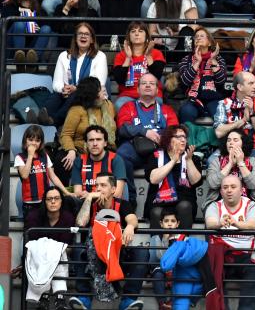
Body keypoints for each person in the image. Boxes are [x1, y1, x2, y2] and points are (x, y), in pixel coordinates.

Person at [72, 172, 148, 310]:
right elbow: (80, 223)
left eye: (103, 185)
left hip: (117, 256)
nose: (98, 189)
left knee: (142, 252)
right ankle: (84, 299)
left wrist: (130, 226)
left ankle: (128, 301)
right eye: (97, 185)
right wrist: (88, 199)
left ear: (113, 189)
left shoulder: (122, 204)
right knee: (77, 249)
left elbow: (132, 218)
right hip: (94, 256)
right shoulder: (90, 203)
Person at [115, 73, 180, 208]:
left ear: (157, 90)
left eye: (152, 83)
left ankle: (164, 200)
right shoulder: (128, 107)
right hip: (135, 149)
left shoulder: (166, 110)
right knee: (120, 155)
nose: (148, 85)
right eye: (144, 83)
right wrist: (145, 132)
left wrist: (162, 137)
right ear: (138, 89)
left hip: (159, 150)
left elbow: (175, 131)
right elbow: (123, 129)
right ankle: (130, 199)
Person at [204, 174, 255, 310]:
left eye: (233, 187)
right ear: (221, 191)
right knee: (213, 266)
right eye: (225, 187)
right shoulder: (214, 205)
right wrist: (219, 223)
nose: (229, 190)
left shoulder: (251, 205)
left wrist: (236, 223)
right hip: (222, 255)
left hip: (246, 255)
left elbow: (253, 224)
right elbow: (210, 223)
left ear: (241, 190)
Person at [214, 71, 255, 186]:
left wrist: (252, 114)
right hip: (228, 149)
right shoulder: (225, 103)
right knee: (211, 160)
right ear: (240, 87)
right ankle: (220, 197)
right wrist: (242, 121)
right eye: (251, 83)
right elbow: (218, 132)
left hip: (253, 148)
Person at [55, 82, 117, 185]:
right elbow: (66, 134)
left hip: (104, 147)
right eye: (101, 92)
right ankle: (64, 194)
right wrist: (71, 150)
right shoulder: (77, 110)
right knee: (62, 160)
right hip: (79, 148)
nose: (104, 94)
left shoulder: (108, 105)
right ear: (93, 96)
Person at [46, 23, 107, 126]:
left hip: (91, 96)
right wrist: (63, 89)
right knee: (55, 97)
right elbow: (56, 82)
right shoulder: (64, 56)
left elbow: (97, 84)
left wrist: (77, 89)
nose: (83, 36)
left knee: (76, 94)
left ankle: (54, 121)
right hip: (67, 94)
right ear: (75, 38)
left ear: (92, 39)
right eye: (80, 34)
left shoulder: (100, 56)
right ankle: (44, 118)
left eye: (87, 34)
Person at [145, 125, 202, 229]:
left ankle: (182, 243)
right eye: (178, 137)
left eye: (184, 137)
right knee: (156, 212)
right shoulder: (155, 156)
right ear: (168, 139)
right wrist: (173, 161)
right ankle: (158, 245)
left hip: (184, 201)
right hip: (159, 202)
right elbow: (153, 179)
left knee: (184, 206)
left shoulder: (192, 158)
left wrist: (188, 161)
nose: (183, 140)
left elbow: (196, 181)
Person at [15, 125, 70, 218]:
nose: (33, 143)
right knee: (31, 230)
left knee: (44, 230)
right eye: (31, 140)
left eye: (37, 140)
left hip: (45, 201)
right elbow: (24, 175)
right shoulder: (20, 157)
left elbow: (53, 176)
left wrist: (66, 192)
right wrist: (30, 156)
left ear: (41, 143)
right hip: (30, 203)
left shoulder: (44, 156)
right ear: (25, 140)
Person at [202, 130, 255, 211]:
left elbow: (253, 184)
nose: (231, 143)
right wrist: (230, 164)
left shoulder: (253, 161)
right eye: (228, 140)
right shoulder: (216, 161)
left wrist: (240, 163)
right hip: (219, 204)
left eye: (235, 140)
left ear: (243, 143)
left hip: (249, 205)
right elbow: (212, 184)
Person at [111, 21, 165, 110]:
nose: (136, 34)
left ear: (146, 35)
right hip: (127, 95)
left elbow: (157, 76)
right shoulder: (121, 56)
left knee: (154, 103)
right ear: (129, 36)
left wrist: (148, 56)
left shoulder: (156, 53)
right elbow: (119, 80)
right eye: (133, 31)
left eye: (140, 31)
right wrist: (128, 58)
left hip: (151, 93)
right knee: (119, 105)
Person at [177, 26, 226, 122]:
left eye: (202, 36)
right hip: (193, 99)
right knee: (186, 111)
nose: (198, 38)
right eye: (196, 37)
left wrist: (213, 61)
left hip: (213, 98)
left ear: (210, 42)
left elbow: (221, 81)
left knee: (220, 112)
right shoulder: (186, 60)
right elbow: (185, 82)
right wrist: (197, 62)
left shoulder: (218, 59)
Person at [3, 0, 53, 66]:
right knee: (19, 23)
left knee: (46, 28)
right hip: (12, 48)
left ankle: (33, 60)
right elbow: (5, 28)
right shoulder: (10, 7)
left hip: (31, 48)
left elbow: (47, 28)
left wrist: (36, 28)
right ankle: (19, 58)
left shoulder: (39, 10)